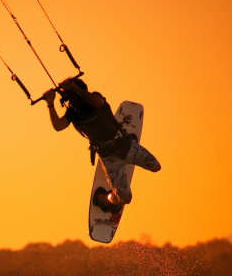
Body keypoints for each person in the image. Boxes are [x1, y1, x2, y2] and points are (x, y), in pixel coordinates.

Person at [42, 77, 160, 213]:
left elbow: (97, 103)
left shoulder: (94, 98)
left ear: (79, 92)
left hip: (125, 145)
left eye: (72, 96)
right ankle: (105, 198)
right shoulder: (72, 113)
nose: (71, 102)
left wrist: (73, 88)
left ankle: (126, 158)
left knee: (156, 166)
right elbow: (58, 126)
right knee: (125, 199)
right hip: (109, 157)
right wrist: (50, 104)